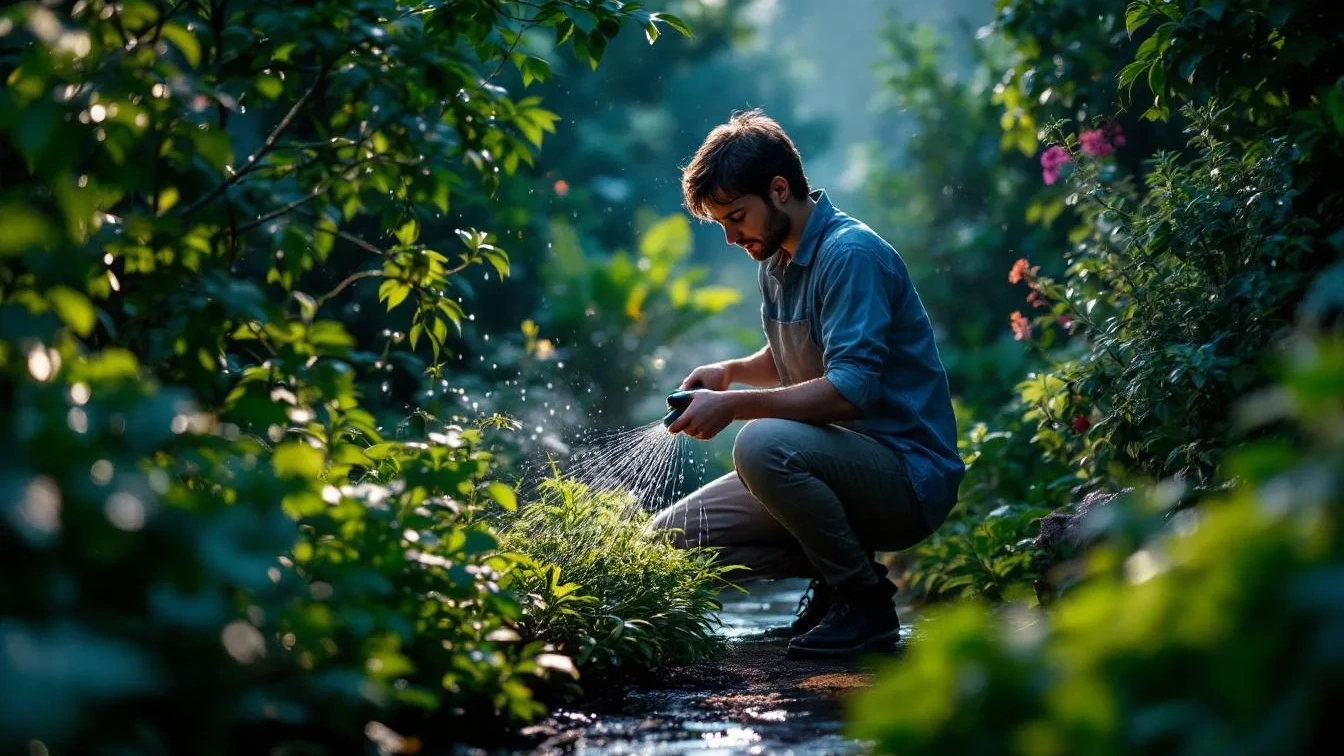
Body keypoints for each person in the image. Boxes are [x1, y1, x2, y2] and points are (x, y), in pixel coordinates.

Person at [649, 109, 965, 660]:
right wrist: (731, 372)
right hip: (834, 466)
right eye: (721, 223)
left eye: (736, 216)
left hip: (905, 476)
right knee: (667, 540)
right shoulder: (775, 259)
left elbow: (849, 389)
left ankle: (862, 603)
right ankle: (841, 575)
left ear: (779, 189)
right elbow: (790, 353)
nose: (730, 236)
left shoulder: (851, 255)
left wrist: (732, 406)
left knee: (759, 442)